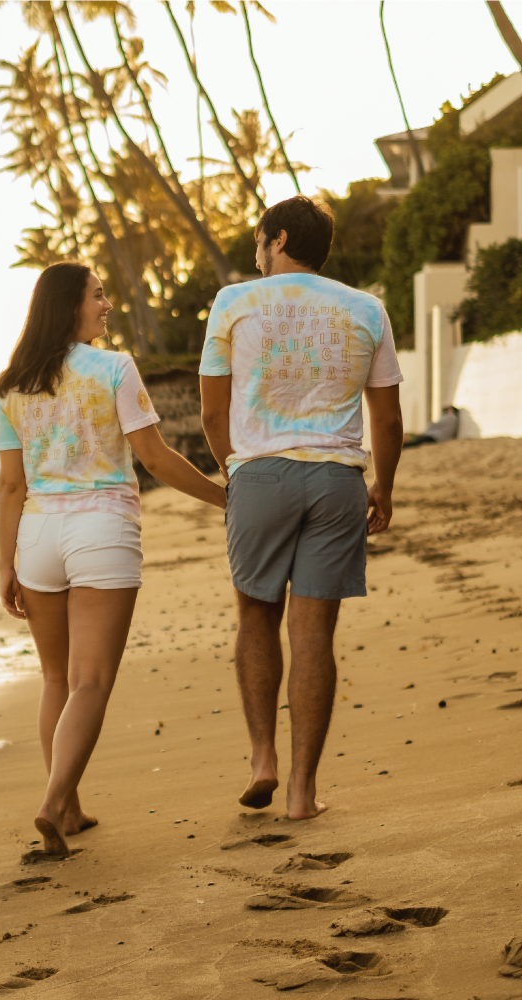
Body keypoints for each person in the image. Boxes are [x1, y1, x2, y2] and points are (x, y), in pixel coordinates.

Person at [0, 261, 227, 856]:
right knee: (90, 681)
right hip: (101, 528)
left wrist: (6, 565)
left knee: (56, 679)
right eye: (99, 295)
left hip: (39, 536)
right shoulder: (115, 368)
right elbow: (155, 457)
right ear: (70, 305)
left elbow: (11, 487)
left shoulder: (10, 385)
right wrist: (224, 496)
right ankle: (52, 803)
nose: (107, 305)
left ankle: (68, 810)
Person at [199, 195, 405, 821]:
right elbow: (388, 417)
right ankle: (301, 793)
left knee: (256, 617)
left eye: (259, 241)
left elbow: (212, 411)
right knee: (314, 633)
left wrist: (236, 469)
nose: (255, 254)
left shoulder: (234, 303)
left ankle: (263, 758)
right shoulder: (366, 308)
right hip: (338, 479)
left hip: (259, 473)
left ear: (278, 238)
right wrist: (384, 488)